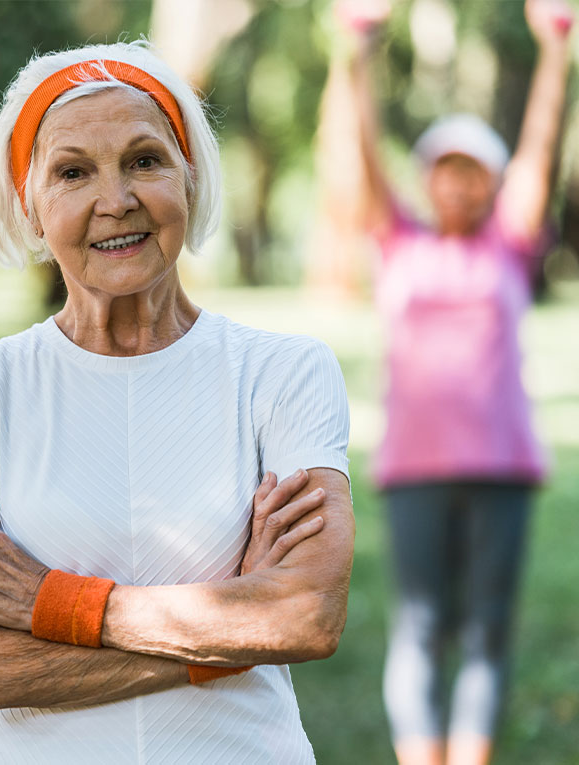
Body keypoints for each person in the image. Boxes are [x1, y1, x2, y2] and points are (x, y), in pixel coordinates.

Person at [0, 40, 354, 764]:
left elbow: (307, 616)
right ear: (29, 204)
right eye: (72, 172)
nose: (115, 201)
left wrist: (47, 601)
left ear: (190, 178)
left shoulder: (284, 371)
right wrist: (235, 625)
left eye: (145, 161)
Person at [319, 1, 570, 763]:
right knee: (422, 627)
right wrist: (357, 53)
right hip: (417, 467)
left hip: (502, 464)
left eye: (474, 172)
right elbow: (362, 151)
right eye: (446, 170)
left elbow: (541, 144)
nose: (459, 185)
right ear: (427, 179)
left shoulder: (511, 243)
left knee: (488, 628)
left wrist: (554, 50)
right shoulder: (397, 240)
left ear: (492, 184)